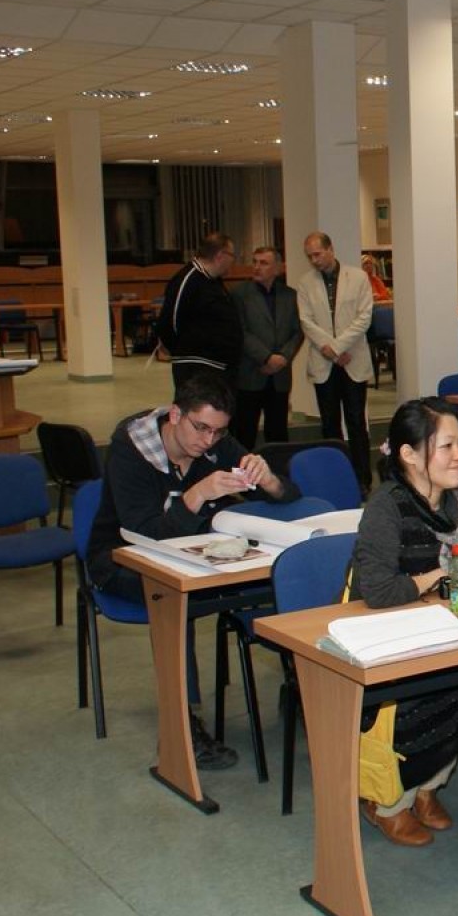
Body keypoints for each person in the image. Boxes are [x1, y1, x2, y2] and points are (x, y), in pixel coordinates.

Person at [87, 374, 298, 770]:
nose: (208, 441)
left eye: (218, 432)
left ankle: (301, 681)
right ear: (175, 415)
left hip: (192, 555)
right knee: (173, 596)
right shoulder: (130, 449)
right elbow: (144, 533)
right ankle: (183, 722)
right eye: (200, 428)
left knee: (282, 579)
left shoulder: (215, 444)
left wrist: (268, 480)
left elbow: (289, 497)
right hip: (119, 559)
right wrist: (198, 494)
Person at [350, 398, 458, 846]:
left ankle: (427, 786)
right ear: (409, 455)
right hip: (387, 632)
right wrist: (436, 576)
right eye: (447, 446)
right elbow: (378, 591)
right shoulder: (387, 506)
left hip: (446, 622)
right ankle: (388, 802)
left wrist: (455, 582)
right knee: (423, 696)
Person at [296, 230, 375, 492]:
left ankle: (362, 479)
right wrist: (330, 349)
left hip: (353, 359)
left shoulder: (358, 277)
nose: (314, 260)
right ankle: (335, 480)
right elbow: (306, 321)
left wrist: (339, 347)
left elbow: (364, 317)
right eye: (310, 256)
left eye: (317, 254)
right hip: (323, 361)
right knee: (329, 423)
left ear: (330, 249)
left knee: (356, 421)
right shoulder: (305, 283)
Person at [229, 245, 301, 448]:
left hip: (279, 376)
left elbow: (297, 331)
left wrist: (283, 357)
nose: (257, 267)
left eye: (264, 263)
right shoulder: (239, 294)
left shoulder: (290, 295)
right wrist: (266, 357)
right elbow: (240, 332)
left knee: (278, 433)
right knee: (245, 433)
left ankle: (276, 468)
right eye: (255, 262)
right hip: (250, 373)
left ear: (277, 268)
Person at [159, 231, 240, 391]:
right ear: (220, 256)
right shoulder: (188, 279)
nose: (233, 261)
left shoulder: (213, 281)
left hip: (218, 367)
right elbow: (169, 322)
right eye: (232, 255)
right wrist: (184, 350)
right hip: (196, 369)